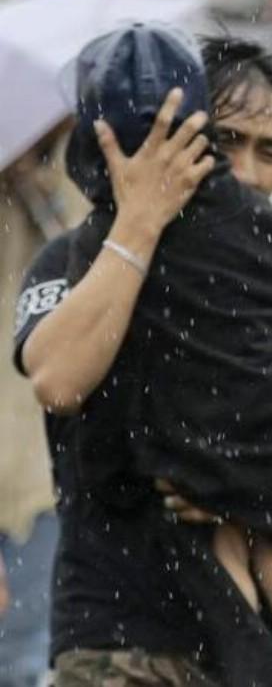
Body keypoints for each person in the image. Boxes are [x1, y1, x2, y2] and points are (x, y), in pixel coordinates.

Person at [15, 34, 272, 687]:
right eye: (227, 142)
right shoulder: (72, 260)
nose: (249, 171)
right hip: (118, 639)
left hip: (258, 655)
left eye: (270, 150)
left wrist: (242, 480)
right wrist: (139, 224)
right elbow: (58, 381)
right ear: (182, 133)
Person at [0, 123, 86, 687]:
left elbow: (90, 265)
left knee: (28, 660)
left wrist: (33, 181)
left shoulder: (76, 177)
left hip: (38, 477)